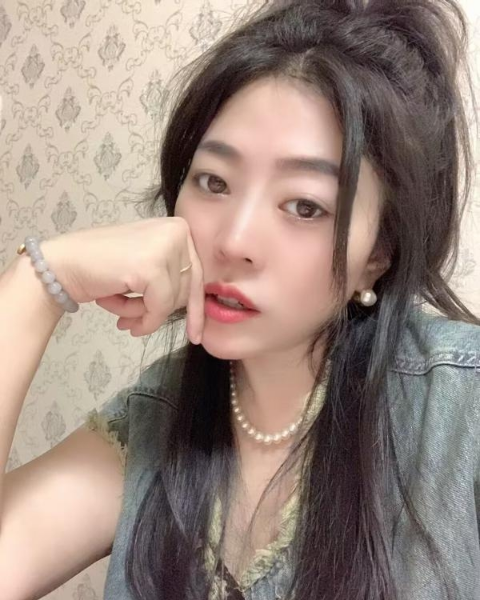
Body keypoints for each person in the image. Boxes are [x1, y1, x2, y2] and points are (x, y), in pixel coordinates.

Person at [0, 0, 479, 598]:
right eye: (214, 182)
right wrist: (40, 280)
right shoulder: (155, 420)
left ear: (379, 253)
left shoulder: (459, 409)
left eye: (304, 206)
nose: (234, 241)